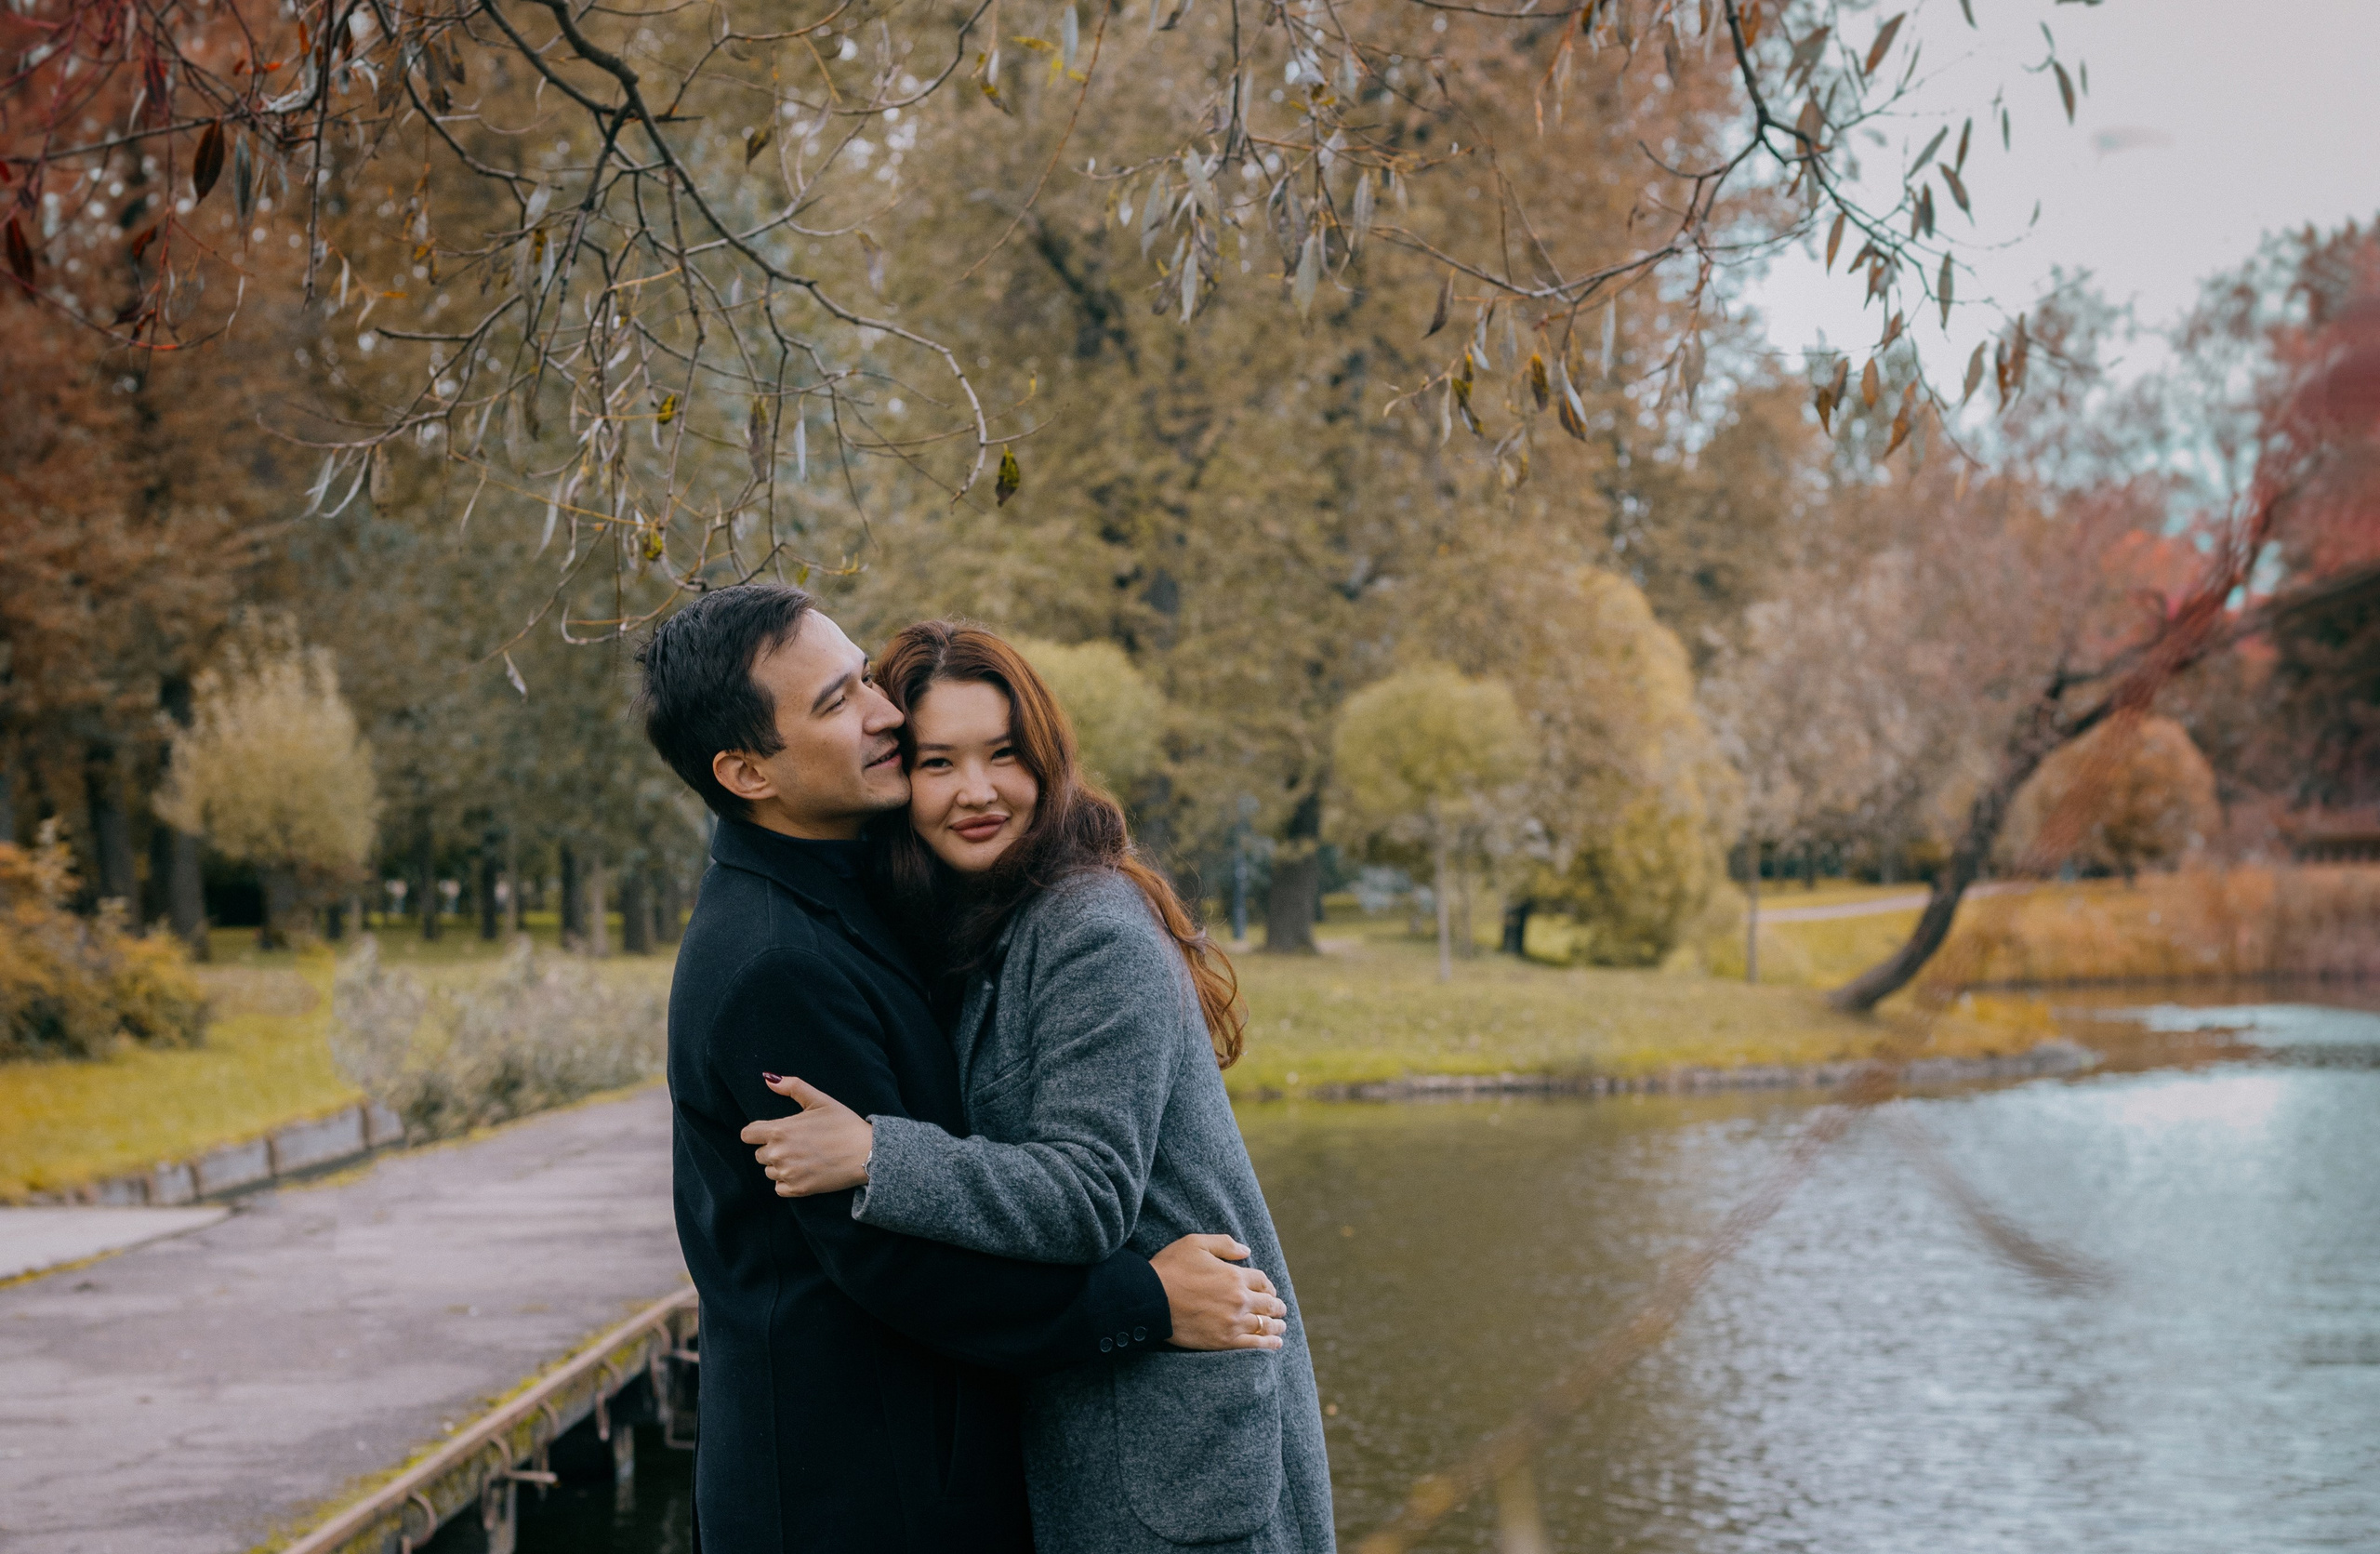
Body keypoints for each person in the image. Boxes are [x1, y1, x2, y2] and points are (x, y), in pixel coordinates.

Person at [638, 585, 1289, 1554]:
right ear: (746, 770)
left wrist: (882, 1152)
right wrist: (1145, 1303)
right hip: (851, 1497)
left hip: (968, 1468)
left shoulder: (902, 904)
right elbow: (896, 1264)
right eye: (837, 701)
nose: (883, 715)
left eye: (864, 677)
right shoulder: (777, 961)